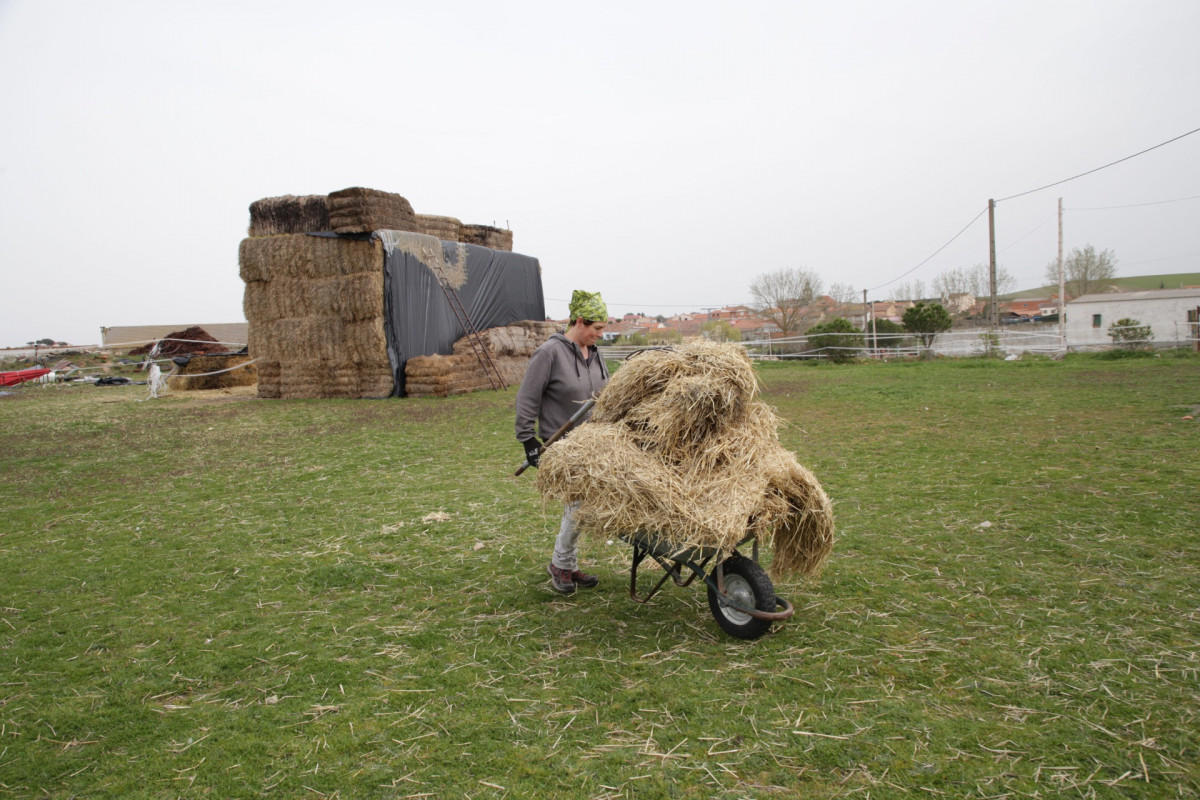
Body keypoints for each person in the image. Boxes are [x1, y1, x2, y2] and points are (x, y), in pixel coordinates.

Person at [515, 289, 610, 594]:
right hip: (562, 444)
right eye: (597, 329)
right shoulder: (550, 353)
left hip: (594, 442)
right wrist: (528, 440)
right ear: (579, 322)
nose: (600, 335)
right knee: (580, 503)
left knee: (582, 505)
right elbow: (528, 397)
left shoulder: (595, 354)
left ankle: (567, 563)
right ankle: (560, 563)